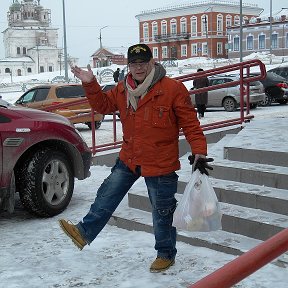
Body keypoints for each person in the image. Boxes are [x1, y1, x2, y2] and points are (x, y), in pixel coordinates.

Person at [59, 43, 213, 273]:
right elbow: (103, 104)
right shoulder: (123, 89)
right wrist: (90, 83)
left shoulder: (172, 89)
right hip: (130, 157)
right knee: (106, 195)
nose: (139, 68)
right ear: (129, 66)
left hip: (160, 162)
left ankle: (165, 254)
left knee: (162, 211)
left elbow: (191, 124)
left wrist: (199, 150)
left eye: (143, 63)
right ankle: (83, 233)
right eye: (134, 64)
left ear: (152, 62)